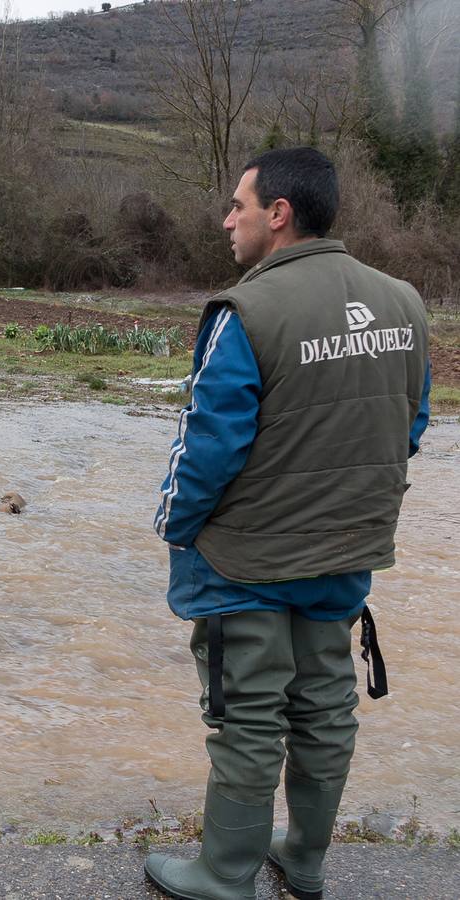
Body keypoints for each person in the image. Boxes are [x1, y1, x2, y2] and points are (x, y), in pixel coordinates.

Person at [145, 146, 431, 900]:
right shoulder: (403, 301)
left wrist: (175, 527)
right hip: (345, 555)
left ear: (278, 214)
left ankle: (224, 873)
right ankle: (302, 862)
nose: (226, 219)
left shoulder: (250, 309)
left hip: (249, 560)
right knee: (325, 707)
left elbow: (207, 447)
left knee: (247, 713)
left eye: (237, 205)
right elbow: (409, 423)